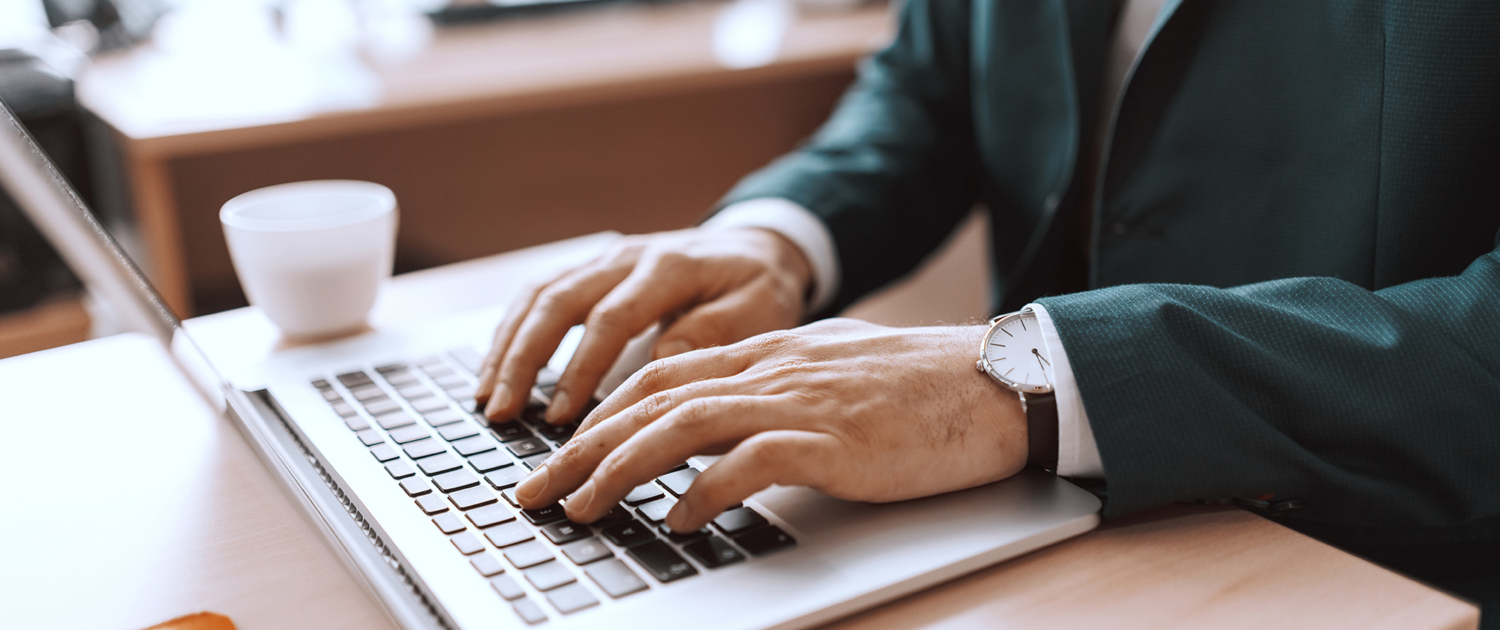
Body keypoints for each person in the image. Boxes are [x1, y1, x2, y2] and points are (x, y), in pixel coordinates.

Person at [475, 0, 1500, 622]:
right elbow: (931, 86)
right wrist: (778, 236)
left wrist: (1033, 379)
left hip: (1373, 568)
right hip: (1034, 546)